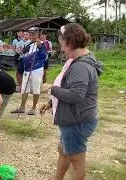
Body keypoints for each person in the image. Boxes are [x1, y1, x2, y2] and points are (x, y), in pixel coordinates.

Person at [40, 23, 102, 180]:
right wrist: (51, 102)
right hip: (74, 117)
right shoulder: (77, 60)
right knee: (63, 150)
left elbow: (75, 95)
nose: (61, 49)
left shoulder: (81, 66)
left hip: (77, 121)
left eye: (62, 44)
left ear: (71, 42)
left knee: (76, 160)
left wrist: (51, 89)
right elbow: (67, 86)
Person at [11, 27, 47, 115]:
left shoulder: (42, 44)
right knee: (24, 89)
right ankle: (22, 107)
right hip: (27, 70)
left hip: (37, 70)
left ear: (38, 34)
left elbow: (44, 57)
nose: (31, 36)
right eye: (30, 34)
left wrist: (40, 48)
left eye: (33, 34)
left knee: (36, 89)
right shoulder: (29, 45)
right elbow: (23, 54)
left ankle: (33, 108)